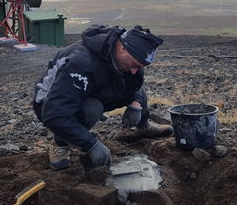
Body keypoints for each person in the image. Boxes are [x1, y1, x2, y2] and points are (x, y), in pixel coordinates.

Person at [33, 24, 173, 171]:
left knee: (134, 84)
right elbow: (55, 114)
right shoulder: (81, 63)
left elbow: (135, 84)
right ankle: (60, 143)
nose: (134, 70)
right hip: (49, 103)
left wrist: (136, 104)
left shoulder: (128, 58)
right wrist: (91, 144)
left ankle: (143, 126)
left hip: (89, 90)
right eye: (134, 65)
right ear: (122, 48)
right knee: (92, 109)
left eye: (139, 67)